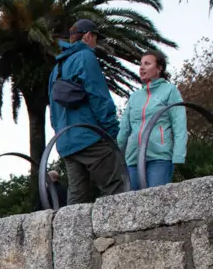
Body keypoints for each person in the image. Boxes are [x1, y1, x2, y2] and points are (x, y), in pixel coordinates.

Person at [49, 19, 128, 204]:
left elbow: (53, 111)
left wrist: (61, 135)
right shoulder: (85, 57)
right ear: (88, 36)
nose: (96, 44)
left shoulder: (56, 69)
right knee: (116, 189)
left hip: (66, 141)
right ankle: (120, 233)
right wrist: (111, 133)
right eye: (96, 39)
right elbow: (99, 98)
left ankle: (71, 234)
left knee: (77, 201)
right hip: (90, 138)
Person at [118, 50, 187, 190]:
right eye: (141, 64)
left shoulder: (170, 91)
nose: (142, 68)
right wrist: (115, 155)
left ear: (159, 68)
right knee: (131, 206)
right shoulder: (134, 97)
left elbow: (179, 124)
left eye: (147, 64)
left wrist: (178, 155)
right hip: (133, 159)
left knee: (156, 204)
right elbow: (124, 129)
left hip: (159, 158)